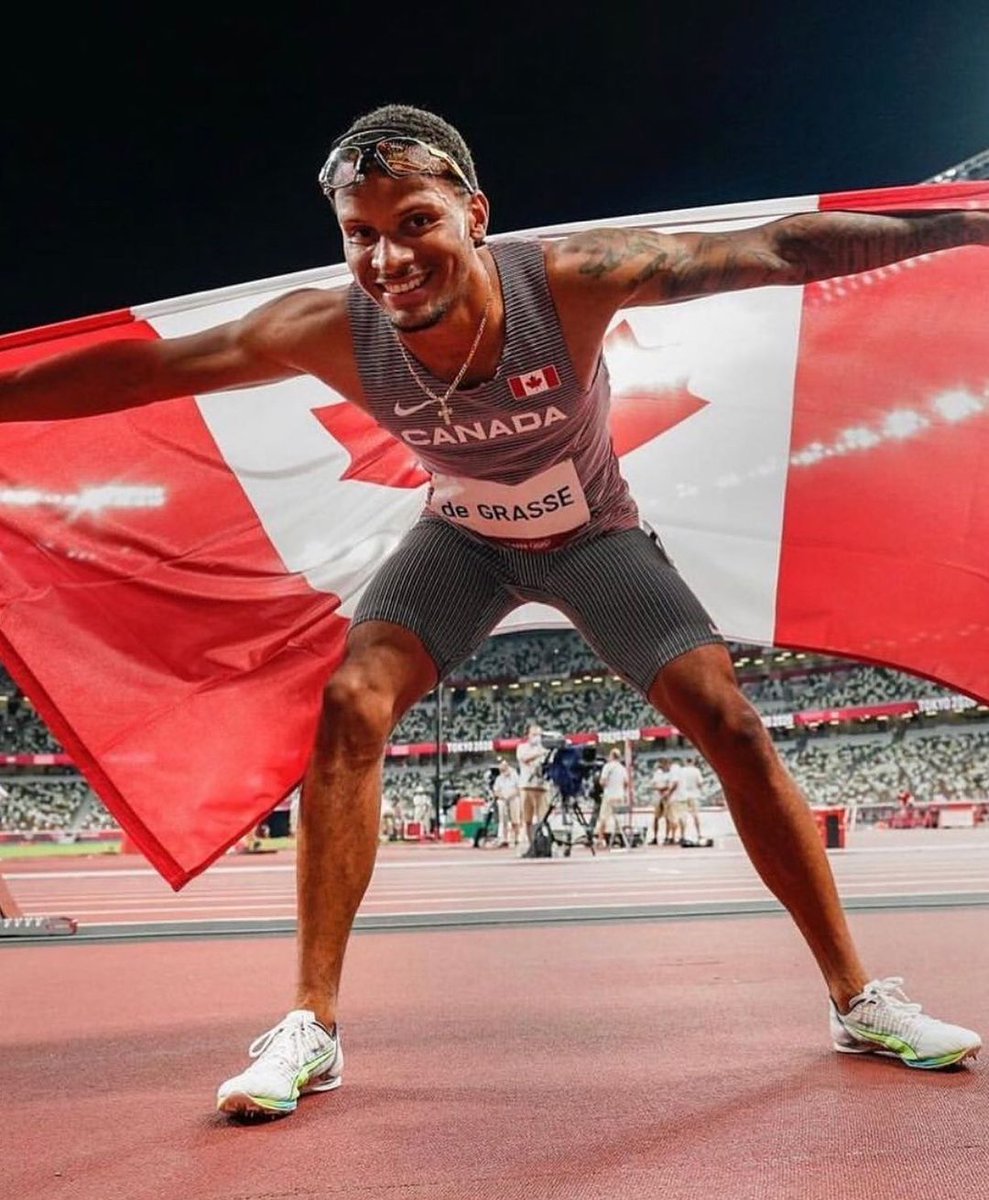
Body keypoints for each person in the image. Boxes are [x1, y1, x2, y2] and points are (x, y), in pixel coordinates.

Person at [1, 103, 982, 1119]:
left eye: (415, 222)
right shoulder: (325, 330)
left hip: (593, 538)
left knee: (726, 719)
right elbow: (144, 370)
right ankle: (309, 1026)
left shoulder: (572, 280)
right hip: (462, 544)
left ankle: (855, 998)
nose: (388, 259)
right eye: (360, 234)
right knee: (350, 704)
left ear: (473, 214)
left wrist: (959, 222)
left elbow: (774, 249)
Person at [516, 722, 550, 856]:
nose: (537, 737)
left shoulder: (545, 748)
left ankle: (543, 844)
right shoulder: (522, 747)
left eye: (539, 734)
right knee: (527, 818)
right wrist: (540, 752)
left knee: (543, 817)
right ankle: (531, 844)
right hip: (526, 786)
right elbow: (524, 758)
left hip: (542, 787)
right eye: (534, 734)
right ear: (528, 735)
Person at [595, 747, 629, 847]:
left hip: (609, 795)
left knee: (603, 817)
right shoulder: (622, 768)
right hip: (619, 795)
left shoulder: (607, 767)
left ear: (611, 756)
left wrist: (605, 786)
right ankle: (619, 838)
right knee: (618, 818)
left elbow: (602, 781)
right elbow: (626, 782)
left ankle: (600, 839)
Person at [491, 757, 522, 847]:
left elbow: (518, 789)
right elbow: (496, 791)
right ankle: (505, 839)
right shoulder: (499, 778)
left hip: (513, 799)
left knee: (515, 820)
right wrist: (502, 796)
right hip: (503, 800)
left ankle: (517, 838)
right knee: (504, 821)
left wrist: (510, 796)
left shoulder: (515, 776)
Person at [650, 756, 675, 845]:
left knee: (668, 817)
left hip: (667, 798)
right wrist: (660, 788)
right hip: (658, 797)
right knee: (656, 818)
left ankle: (667, 836)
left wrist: (663, 789)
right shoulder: (657, 773)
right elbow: (653, 785)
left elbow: (671, 785)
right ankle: (655, 837)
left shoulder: (671, 774)